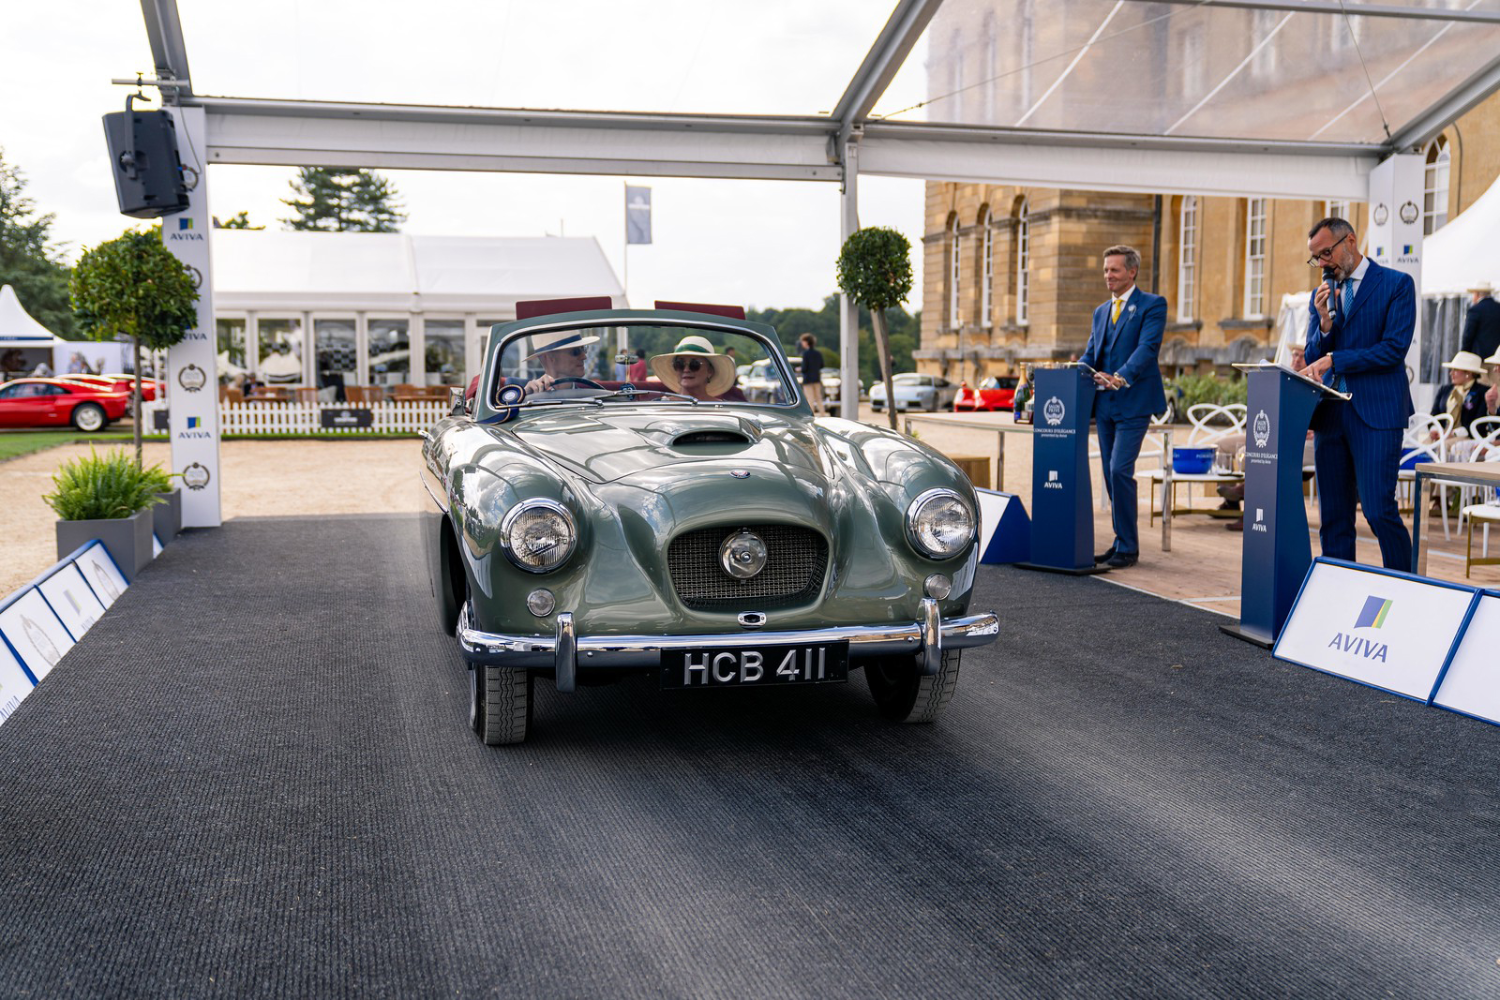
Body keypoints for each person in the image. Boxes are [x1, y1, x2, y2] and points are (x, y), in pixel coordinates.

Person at [1297, 216, 1415, 571]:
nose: (1323, 263)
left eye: (1326, 253)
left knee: (1379, 510)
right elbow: (1314, 357)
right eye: (1316, 258)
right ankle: (1338, 589)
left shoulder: (1396, 284)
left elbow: (1393, 349)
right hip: (1331, 417)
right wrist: (1324, 324)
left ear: (1350, 241)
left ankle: (1404, 585)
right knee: (1333, 517)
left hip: (1376, 414)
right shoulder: (1320, 296)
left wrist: (1336, 358)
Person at [1078, 244, 1168, 570]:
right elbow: (1091, 354)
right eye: (1105, 270)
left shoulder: (1152, 305)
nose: (1108, 276)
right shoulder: (1100, 311)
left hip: (1135, 402)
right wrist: (1072, 371)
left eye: (1114, 270)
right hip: (1104, 405)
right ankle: (1121, 541)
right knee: (1109, 473)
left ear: (1132, 271)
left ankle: (1129, 548)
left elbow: (1147, 349)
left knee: (1119, 470)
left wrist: (1120, 376)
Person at [649, 335, 737, 401]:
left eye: (694, 364)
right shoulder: (659, 407)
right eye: (680, 364)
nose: (686, 370)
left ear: (710, 371)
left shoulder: (725, 409)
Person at [1430, 350, 1489, 441]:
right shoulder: (1445, 389)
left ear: (1468, 373)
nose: (1451, 373)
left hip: (1468, 438)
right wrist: (1434, 429)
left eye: (1455, 370)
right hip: (1441, 435)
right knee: (1422, 447)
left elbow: (1479, 424)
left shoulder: (1483, 392)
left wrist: (1454, 433)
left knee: (1445, 446)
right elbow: (1434, 414)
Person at [521, 329, 599, 395]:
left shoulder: (592, 396)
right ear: (549, 357)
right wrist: (524, 395)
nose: (584, 357)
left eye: (583, 348)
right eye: (575, 351)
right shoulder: (530, 395)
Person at [1460, 281, 1500, 364]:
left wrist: (1464, 355)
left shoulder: (1475, 310)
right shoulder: (1498, 308)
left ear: (1477, 294)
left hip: (1479, 358)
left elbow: (1468, 336)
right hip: (1497, 359)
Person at [798, 334, 825, 415]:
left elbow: (804, 368)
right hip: (817, 378)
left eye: (803, 341)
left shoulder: (805, 354)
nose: (802, 343)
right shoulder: (818, 353)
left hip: (808, 380)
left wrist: (800, 369)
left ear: (806, 342)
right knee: (819, 398)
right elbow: (822, 365)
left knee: (810, 399)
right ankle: (822, 414)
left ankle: (811, 415)